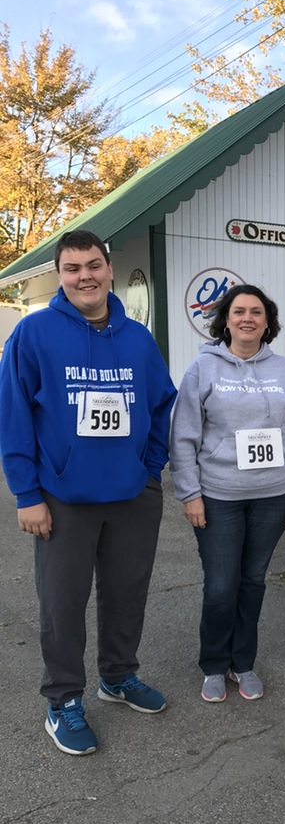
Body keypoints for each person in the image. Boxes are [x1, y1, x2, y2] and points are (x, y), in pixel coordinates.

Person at [0, 230, 177, 756]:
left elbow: (162, 404)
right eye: (73, 268)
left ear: (109, 270)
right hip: (62, 497)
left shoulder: (138, 338)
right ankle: (63, 700)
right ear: (60, 275)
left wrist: (150, 469)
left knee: (127, 593)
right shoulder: (34, 334)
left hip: (131, 495)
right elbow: (13, 419)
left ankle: (118, 677)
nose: (85, 277)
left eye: (94, 265)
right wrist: (26, 494)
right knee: (63, 602)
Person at [169, 284, 285, 704]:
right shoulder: (203, 368)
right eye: (239, 311)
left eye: (256, 311)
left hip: (273, 496)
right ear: (226, 319)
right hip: (218, 495)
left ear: (267, 321)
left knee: (252, 582)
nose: (247, 318)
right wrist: (189, 493)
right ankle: (214, 664)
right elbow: (183, 435)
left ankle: (243, 661)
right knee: (220, 585)